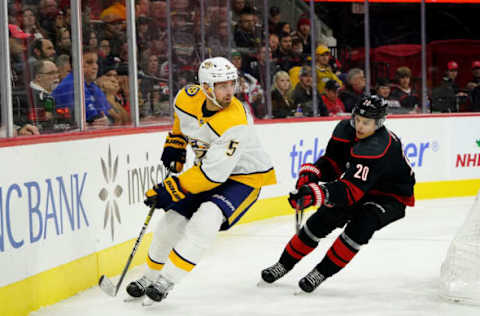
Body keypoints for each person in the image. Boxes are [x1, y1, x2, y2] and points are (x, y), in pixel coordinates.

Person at [125, 57, 277, 304]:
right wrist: (176, 142)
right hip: (206, 170)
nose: (231, 91)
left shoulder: (234, 120)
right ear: (206, 87)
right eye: (223, 85)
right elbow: (182, 120)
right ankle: (150, 276)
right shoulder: (187, 97)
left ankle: (166, 281)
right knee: (170, 223)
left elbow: (212, 175)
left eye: (232, 84)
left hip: (244, 177)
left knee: (206, 218)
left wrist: (170, 189)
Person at [261, 95, 415, 293]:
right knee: (323, 219)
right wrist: (311, 175)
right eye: (357, 120)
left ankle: (320, 273)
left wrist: (317, 193)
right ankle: (283, 264)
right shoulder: (345, 129)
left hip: (389, 196)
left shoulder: (377, 147)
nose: (359, 126)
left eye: (366, 123)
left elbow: (350, 192)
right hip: (360, 187)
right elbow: (333, 163)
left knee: (361, 226)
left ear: (378, 123)